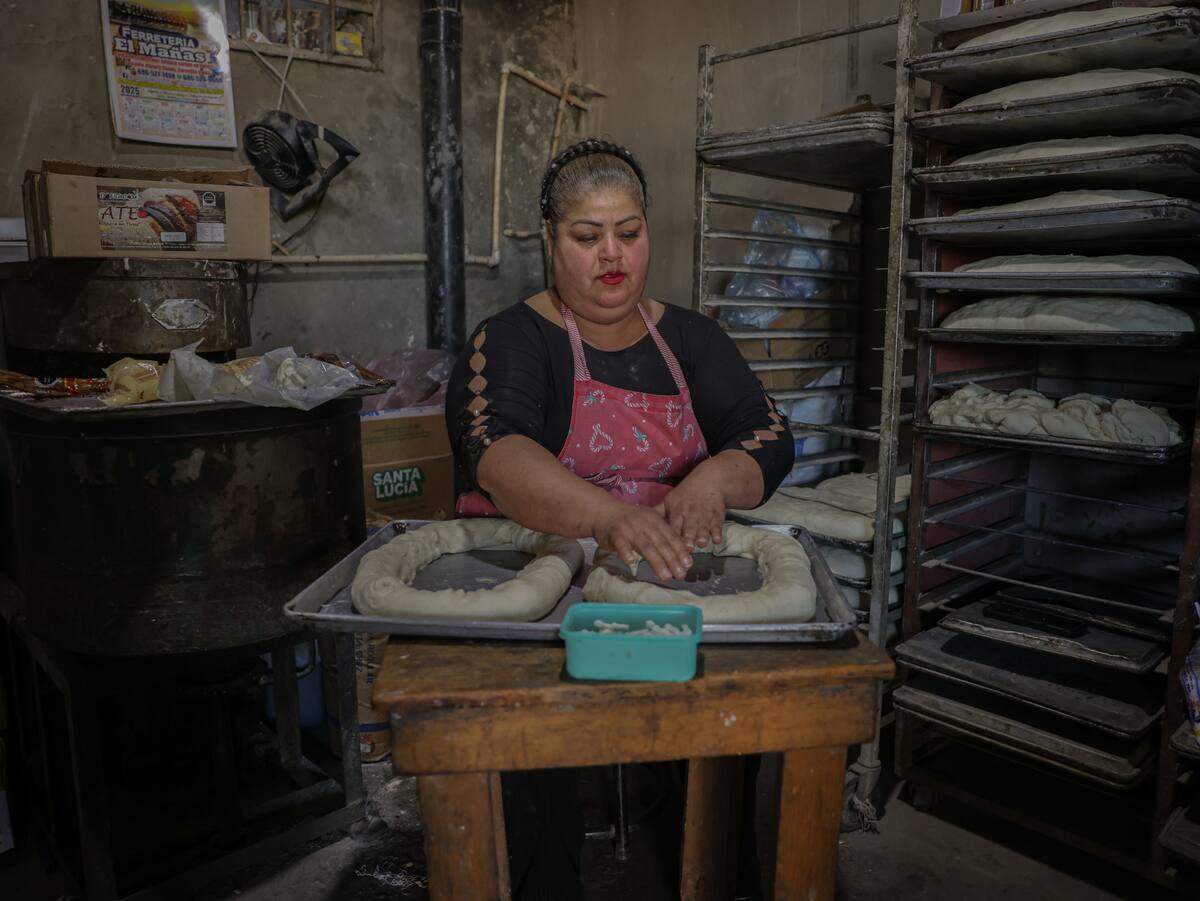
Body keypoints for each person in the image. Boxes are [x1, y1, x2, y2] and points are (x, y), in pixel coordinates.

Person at [445, 138, 794, 900]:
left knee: (722, 730)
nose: (612, 255)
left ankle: (706, 876)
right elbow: (495, 450)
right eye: (586, 235)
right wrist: (607, 516)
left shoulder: (692, 340)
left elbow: (767, 435)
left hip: (667, 583)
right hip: (540, 593)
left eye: (628, 233)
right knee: (529, 742)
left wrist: (711, 479)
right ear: (550, 240)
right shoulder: (510, 339)